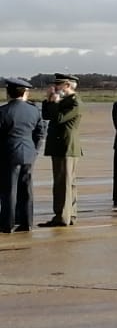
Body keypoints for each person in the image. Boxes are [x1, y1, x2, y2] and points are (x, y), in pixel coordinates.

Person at [2, 79, 45, 233]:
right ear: (25, 92)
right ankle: (27, 222)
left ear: (8, 92)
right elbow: (40, 133)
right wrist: (34, 150)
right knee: (26, 189)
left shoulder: (3, 111)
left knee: (9, 190)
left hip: (9, 154)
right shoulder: (33, 110)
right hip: (28, 153)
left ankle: (7, 223)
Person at [41, 76, 83, 228]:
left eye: (58, 85)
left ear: (67, 85)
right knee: (65, 182)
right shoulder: (64, 100)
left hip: (66, 146)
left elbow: (59, 118)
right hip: (59, 146)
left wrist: (54, 102)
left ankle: (63, 216)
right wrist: (49, 100)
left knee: (64, 182)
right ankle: (69, 214)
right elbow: (46, 115)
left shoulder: (74, 102)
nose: (55, 88)